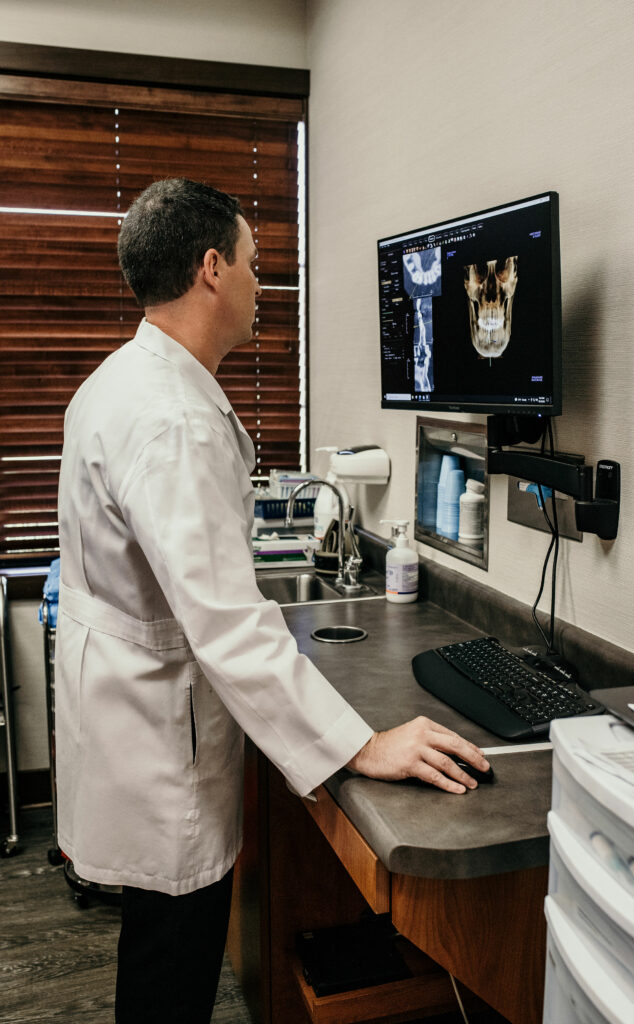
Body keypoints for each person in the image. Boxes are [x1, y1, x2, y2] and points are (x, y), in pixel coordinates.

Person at [54, 178, 490, 1024]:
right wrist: (357, 744)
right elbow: (225, 624)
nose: (264, 283)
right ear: (211, 268)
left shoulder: (123, 381)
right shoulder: (172, 417)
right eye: (256, 264)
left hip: (132, 708)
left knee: (157, 945)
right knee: (169, 966)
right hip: (156, 734)